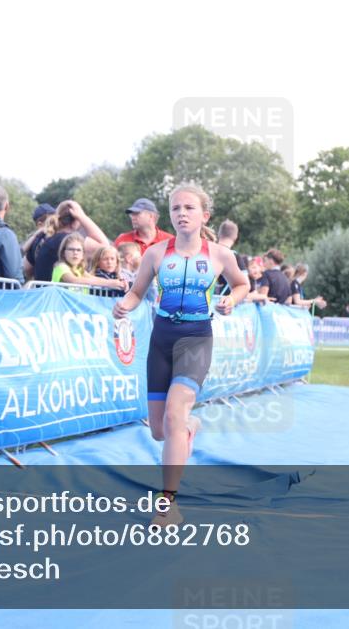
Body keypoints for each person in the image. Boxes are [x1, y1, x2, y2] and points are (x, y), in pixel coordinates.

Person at [113, 184, 249, 529]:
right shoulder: (156, 254)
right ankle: (189, 428)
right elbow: (137, 292)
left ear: (205, 215)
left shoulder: (220, 255)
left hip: (196, 340)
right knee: (160, 431)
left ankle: (167, 505)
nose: (182, 213)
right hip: (161, 340)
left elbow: (241, 284)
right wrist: (123, 306)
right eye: (175, 208)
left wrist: (231, 301)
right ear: (169, 215)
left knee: (174, 415)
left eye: (189, 208)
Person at [33, 200, 110, 283]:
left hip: (40, 291)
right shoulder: (71, 241)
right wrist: (83, 217)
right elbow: (104, 247)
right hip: (57, 294)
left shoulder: (41, 238)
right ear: (76, 220)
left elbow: (27, 268)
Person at [51, 234, 127, 293]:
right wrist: (110, 283)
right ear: (63, 252)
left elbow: (94, 279)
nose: (75, 253)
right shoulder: (61, 267)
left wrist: (117, 282)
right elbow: (75, 280)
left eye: (78, 250)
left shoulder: (79, 269)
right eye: (71, 249)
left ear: (83, 254)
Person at [21, 202, 56, 281]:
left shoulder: (34, 240)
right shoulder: (40, 240)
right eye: (52, 221)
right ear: (40, 224)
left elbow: (27, 269)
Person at [214, 219, 248, 295]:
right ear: (235, 236)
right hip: (225, 301)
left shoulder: (208, 251)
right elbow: (245, 285)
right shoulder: (234, 256)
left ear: (219, 234)